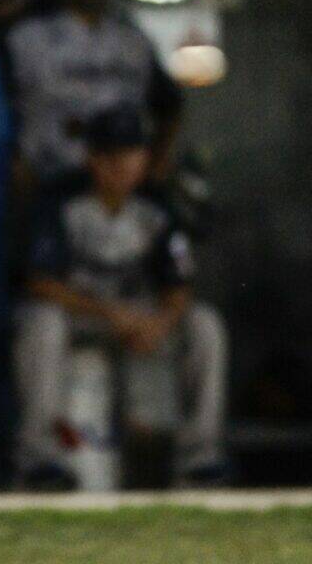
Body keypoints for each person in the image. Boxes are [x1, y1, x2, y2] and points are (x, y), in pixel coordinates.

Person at [12, 105, 228, 490]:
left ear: (145, 157)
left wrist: (160, 323)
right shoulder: (60, 198)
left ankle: (200, 459)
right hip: (84, 314)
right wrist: (110, 313)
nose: (122, 165)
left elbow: (178, 285)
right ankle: (39, 460)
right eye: (111, 155)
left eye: (131, 153)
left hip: (140, 318)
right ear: (92, 157)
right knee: (40, 322)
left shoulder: (158, 203)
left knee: (205, 324)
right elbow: (39, 281)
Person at [5, 0, 183, 194]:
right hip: (51, 179)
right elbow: (3, 113)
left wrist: (156, 164)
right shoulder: (27, 39)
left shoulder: (132, 41)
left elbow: (170, 105)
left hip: (119, 189)